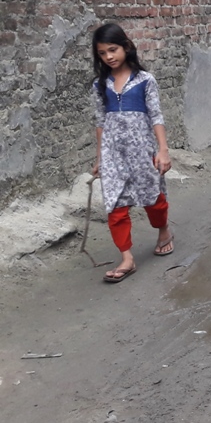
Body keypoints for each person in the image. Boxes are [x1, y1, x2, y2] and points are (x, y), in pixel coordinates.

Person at [91, 23, 174, 283]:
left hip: (142, 151)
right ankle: (127, 258)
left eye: (112, 50)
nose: (108, 57)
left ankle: (163, 230)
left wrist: (163, 150)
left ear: (126, 46)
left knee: (154, 199)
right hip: (113, 155)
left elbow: (156, 116)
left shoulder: (145, 80)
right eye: (102, 53)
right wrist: (100, 158)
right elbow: (100, 122)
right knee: (115, 205)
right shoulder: (100, 85)